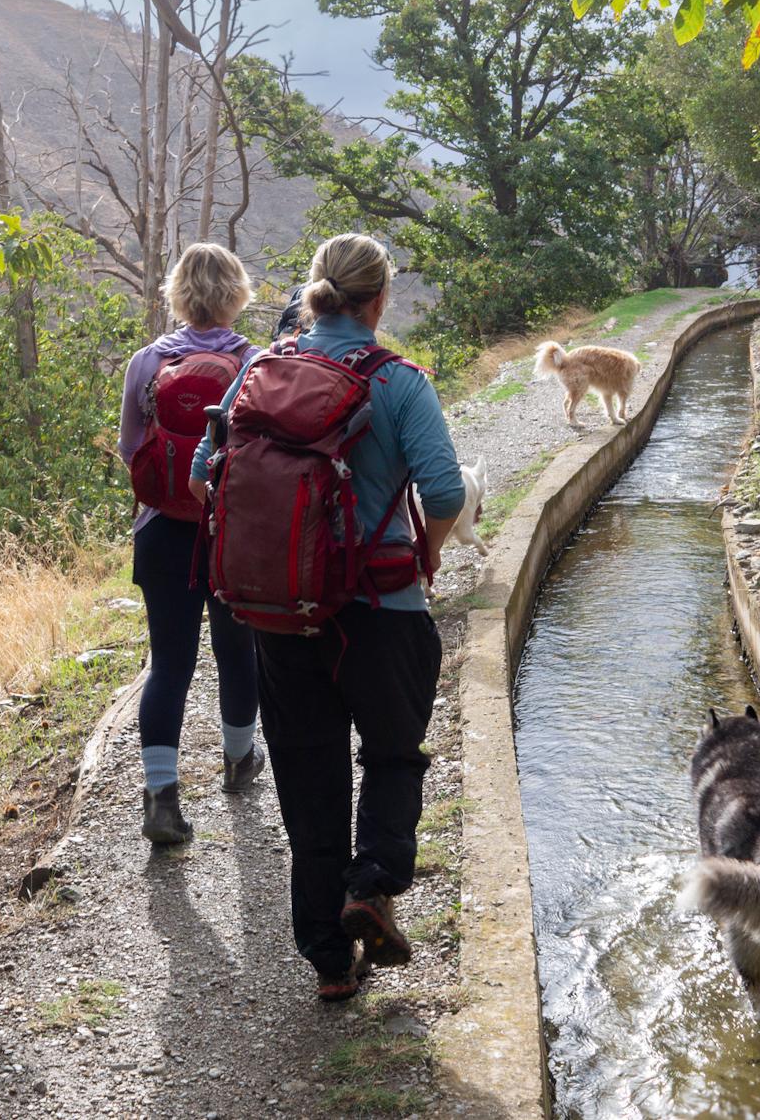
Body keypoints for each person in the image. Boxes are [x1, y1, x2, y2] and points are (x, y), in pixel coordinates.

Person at [191, 233, 464, 1001]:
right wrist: (426, 553)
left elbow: (202, 475)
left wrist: (277, 549)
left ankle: (328, 963)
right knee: (392, 753)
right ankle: (370, 886)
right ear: (380, 300)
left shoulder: (258, 366)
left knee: (309, 782)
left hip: (279, 617)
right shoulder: (400, 382)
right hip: (380, 607)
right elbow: (443, 492)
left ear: (314, 292)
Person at [116, 242, 266, 846]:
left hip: (161, 533)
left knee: (170, 663)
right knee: (238, 651)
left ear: (177, 293)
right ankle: (237, 763)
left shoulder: (146, 362)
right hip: (230, 533)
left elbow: (131, 449)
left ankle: (161, 797)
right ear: (236, 294)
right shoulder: (258, 363)